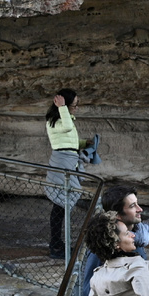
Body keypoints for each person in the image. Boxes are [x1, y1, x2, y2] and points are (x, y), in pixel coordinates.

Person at [44, 89, 86, 258]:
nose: (76, 108)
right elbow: (67, 128)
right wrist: (62, 107)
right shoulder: (54, 120)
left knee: (61, 206)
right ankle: (55, 245)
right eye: (74, 105)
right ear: (64, 105)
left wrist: (85, 143)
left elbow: (70, 142)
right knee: (60, 205)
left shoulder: (63, 119)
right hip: (62, 164)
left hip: (68, 162)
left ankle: (57, 243)